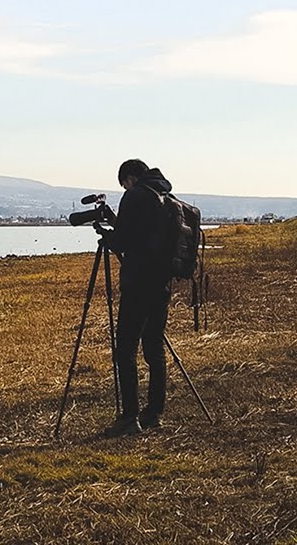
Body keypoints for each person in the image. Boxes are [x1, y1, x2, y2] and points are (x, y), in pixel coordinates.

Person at [102, 158, 174, 437]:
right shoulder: (165, 196)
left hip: (138, 284)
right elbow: (145, 235)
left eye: (124, 184)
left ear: (130, 178)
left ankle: (130, 417)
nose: (124, 188)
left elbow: (123, 241)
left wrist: (108, 239)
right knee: (154, 347)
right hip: (162, 283)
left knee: (126, 350)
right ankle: (154, 412)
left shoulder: (135, 196)